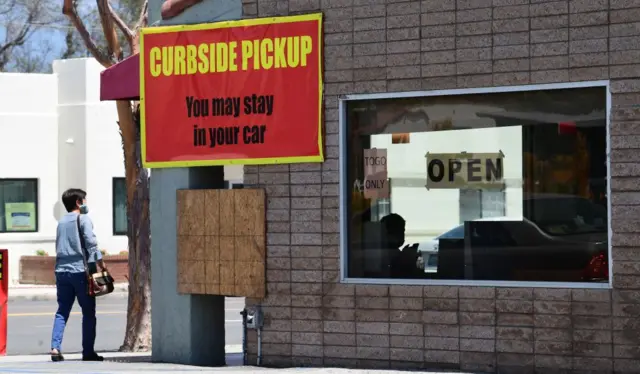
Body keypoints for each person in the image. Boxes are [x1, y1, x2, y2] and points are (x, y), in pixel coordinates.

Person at [50, 189, 107, 362]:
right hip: (80, 271)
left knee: (62, 311)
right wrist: (101, 264)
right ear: (78, 202)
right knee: (88, 312)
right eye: (84, 200)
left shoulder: (61, 223)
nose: (86, 202)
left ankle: (55, 348)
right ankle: (88, 352)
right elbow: (91, 243)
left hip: (61, 270)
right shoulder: (83, 219)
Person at [380, 213, 424, 279]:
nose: (403, 235)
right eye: (401, 231)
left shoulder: (392, 252)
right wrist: (407, 256)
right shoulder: (384, 254)